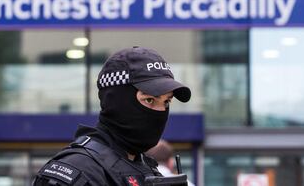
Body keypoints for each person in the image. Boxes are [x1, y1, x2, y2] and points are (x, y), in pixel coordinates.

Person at [33, 46, 192, 185]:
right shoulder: (74, 173)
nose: (160, 111)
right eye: (149, 100)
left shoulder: (147, 170)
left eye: (166, 102)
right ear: (115, 100)